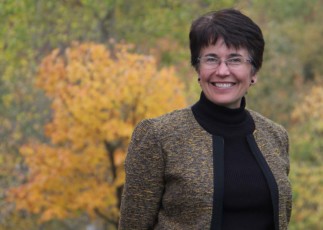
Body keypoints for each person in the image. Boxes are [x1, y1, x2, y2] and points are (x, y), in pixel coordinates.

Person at [119, 8, 292, 230]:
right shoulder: (158, 136)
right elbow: (133, 225)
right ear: (197, 68)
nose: (222, 71)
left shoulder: (276, 136)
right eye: (211, 59)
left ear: (254, 72)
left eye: (235, 59)